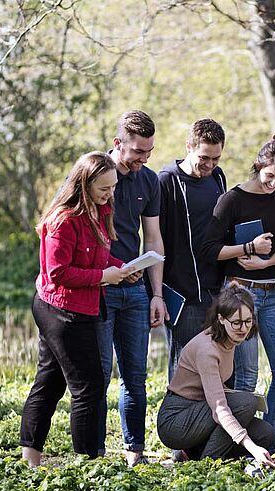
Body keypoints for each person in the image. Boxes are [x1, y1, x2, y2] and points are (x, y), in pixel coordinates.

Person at [20, 152, 134, 467]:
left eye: (113, 187)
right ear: (84, 185)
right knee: (89, 385)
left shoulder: (99, 211)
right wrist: (103, 278)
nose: (110, 194)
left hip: (82, 306)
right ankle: (88, 464)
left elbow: (95, 258)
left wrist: (122, 268)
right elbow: (58, 272)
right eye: (103, 188)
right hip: (60, 309)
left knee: (51, 381)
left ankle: (30, 460)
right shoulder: (63, 219)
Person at [200, 133, 275, 460]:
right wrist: (248, 248)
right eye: (270, 177)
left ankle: (265, 445)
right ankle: (243, 450)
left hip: (273, 293)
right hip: (240, 292)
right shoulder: (233, 199)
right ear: (258, 167)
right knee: (247, 377)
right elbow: (210, 249)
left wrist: (268, 260)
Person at [97, 110, 167, 467]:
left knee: (135, 377)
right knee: (97, 373)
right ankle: (93, 453)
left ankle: (134, 453)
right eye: (137, 151)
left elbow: (152, 238)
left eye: (149, 152)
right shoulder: (93, 175)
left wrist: (156, 294)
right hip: (100, 289)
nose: (143, 159)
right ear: (117, 143)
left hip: (136, 288)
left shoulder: (149, 181)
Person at [156, 284, 275, 469]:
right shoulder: (207, 349)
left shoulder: (230, 340)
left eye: (248, 321)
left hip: (199, 413)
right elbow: (219, 408)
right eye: (236, 322)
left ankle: (193, 453)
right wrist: (252, 448)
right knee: (246, 403)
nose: (243, 328)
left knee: (266, 433)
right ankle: (209, 463)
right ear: (221, 318)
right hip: (176, 420)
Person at [158, 118, 227, 381]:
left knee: (217, 368)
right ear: (189, 146)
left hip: (217, 290)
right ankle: (177, 421)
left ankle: (210, 422)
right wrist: (158, 293)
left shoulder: (218, 177)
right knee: (185, 371)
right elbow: (156, 240)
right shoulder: (166, 181)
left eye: (216, 159)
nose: (210, 165)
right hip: (183, 296)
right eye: (204, 158)